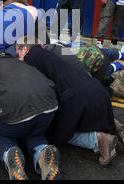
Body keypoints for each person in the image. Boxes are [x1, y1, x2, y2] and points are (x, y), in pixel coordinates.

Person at [16, 36, 118, 166]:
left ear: (24, 49)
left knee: (56, 134)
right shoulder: (54, 51)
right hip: (97, 90)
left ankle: (99, 140)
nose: (17, 58)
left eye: (17, 53)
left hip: (78, 98)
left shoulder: (31, 58)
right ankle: (112, 123)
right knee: (80, 121)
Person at [0, 44, 59, 180]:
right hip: (49, 104)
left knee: (1, 135)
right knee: (34, 133)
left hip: (14, 106)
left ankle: (10, 153)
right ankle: (42, 151)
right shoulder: (20, 62)